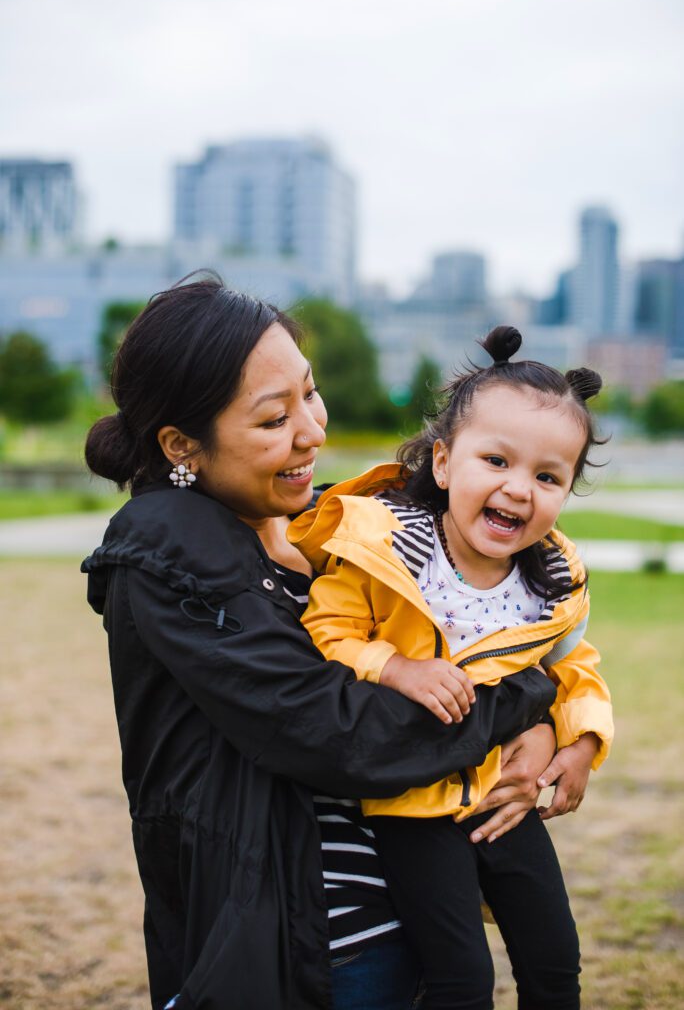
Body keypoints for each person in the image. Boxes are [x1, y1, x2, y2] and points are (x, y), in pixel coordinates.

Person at [81, 279, 559, 1010]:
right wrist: (526, 700)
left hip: (426, 920)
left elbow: (484, 631)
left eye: (310, 393)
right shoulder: (166, 547)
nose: (312, 430)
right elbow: (339, 735)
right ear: (183, 446)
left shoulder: (347, 526)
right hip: (309, 952)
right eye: (274, 419)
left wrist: (550, 733)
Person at [289, 325, 614, 1010]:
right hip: (413, 807)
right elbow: (328, 630)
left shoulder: (546, 583)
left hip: (505, 793)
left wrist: (579, 739)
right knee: (461, 977)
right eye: (496, 461)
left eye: (548, 476)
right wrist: (396, 667)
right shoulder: (386, 551)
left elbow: (573, 666)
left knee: (555, 962)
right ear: (443, 463)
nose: (519, 490)